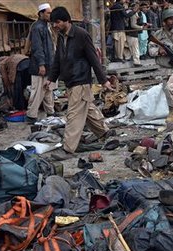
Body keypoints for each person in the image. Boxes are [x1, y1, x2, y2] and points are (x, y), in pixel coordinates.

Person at [47, 7, 114, 160]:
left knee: (73, 115)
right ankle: (104, 132)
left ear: (66, 20)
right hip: (71, 81)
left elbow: (93, 59)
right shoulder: (61, 36)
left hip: (81, 79)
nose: (55, 26)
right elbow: (58, 60)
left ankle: (68, 149)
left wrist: (103, 81)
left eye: (57, 22)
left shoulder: (81, 35)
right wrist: (51, 78)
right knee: (87, 108)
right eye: (53, 23)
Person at [26, 3, 56, 123]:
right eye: (48, 13)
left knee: (48, 90)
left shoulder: (46, 26)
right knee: (37, 91)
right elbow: (37, 48)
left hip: (48, 64)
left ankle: (51, 112)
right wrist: (41, 64)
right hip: (40, 66)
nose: (50, 15)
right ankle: (31, 115)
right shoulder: (38, 27)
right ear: (41, 14)